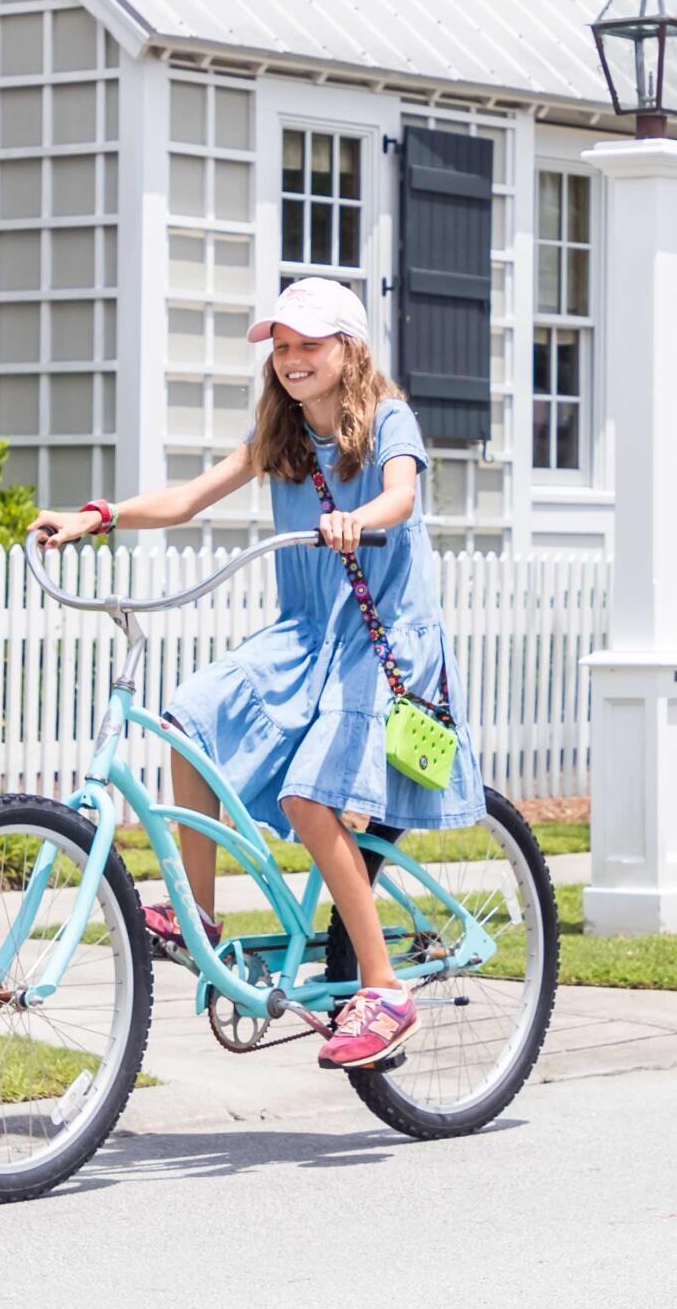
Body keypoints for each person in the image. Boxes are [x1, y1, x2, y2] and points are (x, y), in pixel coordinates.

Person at [30, 277, 481, 1069]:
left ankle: (384, 990)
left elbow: (402, 496)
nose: (294, 360)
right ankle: (199, 917)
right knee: (188, 716)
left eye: (310, 344)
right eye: (281, 348)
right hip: (305, 634)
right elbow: (188, 498)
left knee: (312, 801)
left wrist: (357, 517)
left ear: (349, 348)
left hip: (377, 643)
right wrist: (94, 517)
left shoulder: (388, 419)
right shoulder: (282, 435)